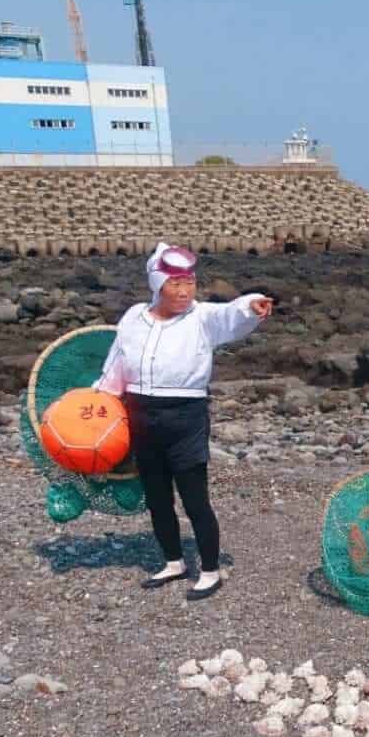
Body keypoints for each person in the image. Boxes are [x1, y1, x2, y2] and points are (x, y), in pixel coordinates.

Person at [95, 243, 273, 600]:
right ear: (157, 285)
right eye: (174, 283)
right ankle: (173, 561)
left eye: (189, 282)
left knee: (194, 499)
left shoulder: (202, 317)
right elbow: (116, 363)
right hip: (141, 416)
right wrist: (100, 399)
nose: (184, 290)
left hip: (185, 418)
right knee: (157, 498)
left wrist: (251, 304)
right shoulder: (134, 316)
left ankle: (210, 570)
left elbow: (231, 315)